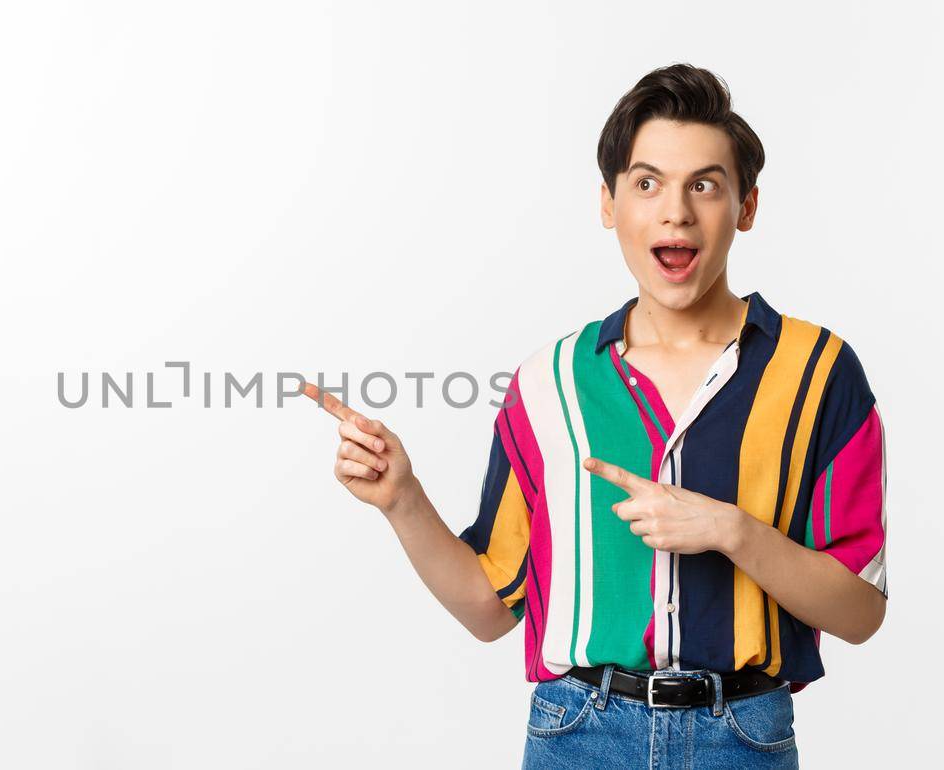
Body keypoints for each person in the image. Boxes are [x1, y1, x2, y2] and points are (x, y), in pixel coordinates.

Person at [300, 63, 887, 769]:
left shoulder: (819, 371)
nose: (675, 211)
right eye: (646, 184)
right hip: (579, 735)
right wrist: (402, 500)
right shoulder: (549, 382)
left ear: (747, 205)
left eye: (705, 184)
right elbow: (491, 608)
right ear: (608, 203)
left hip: (745, 738)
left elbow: (861, 610)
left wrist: (733, 532)